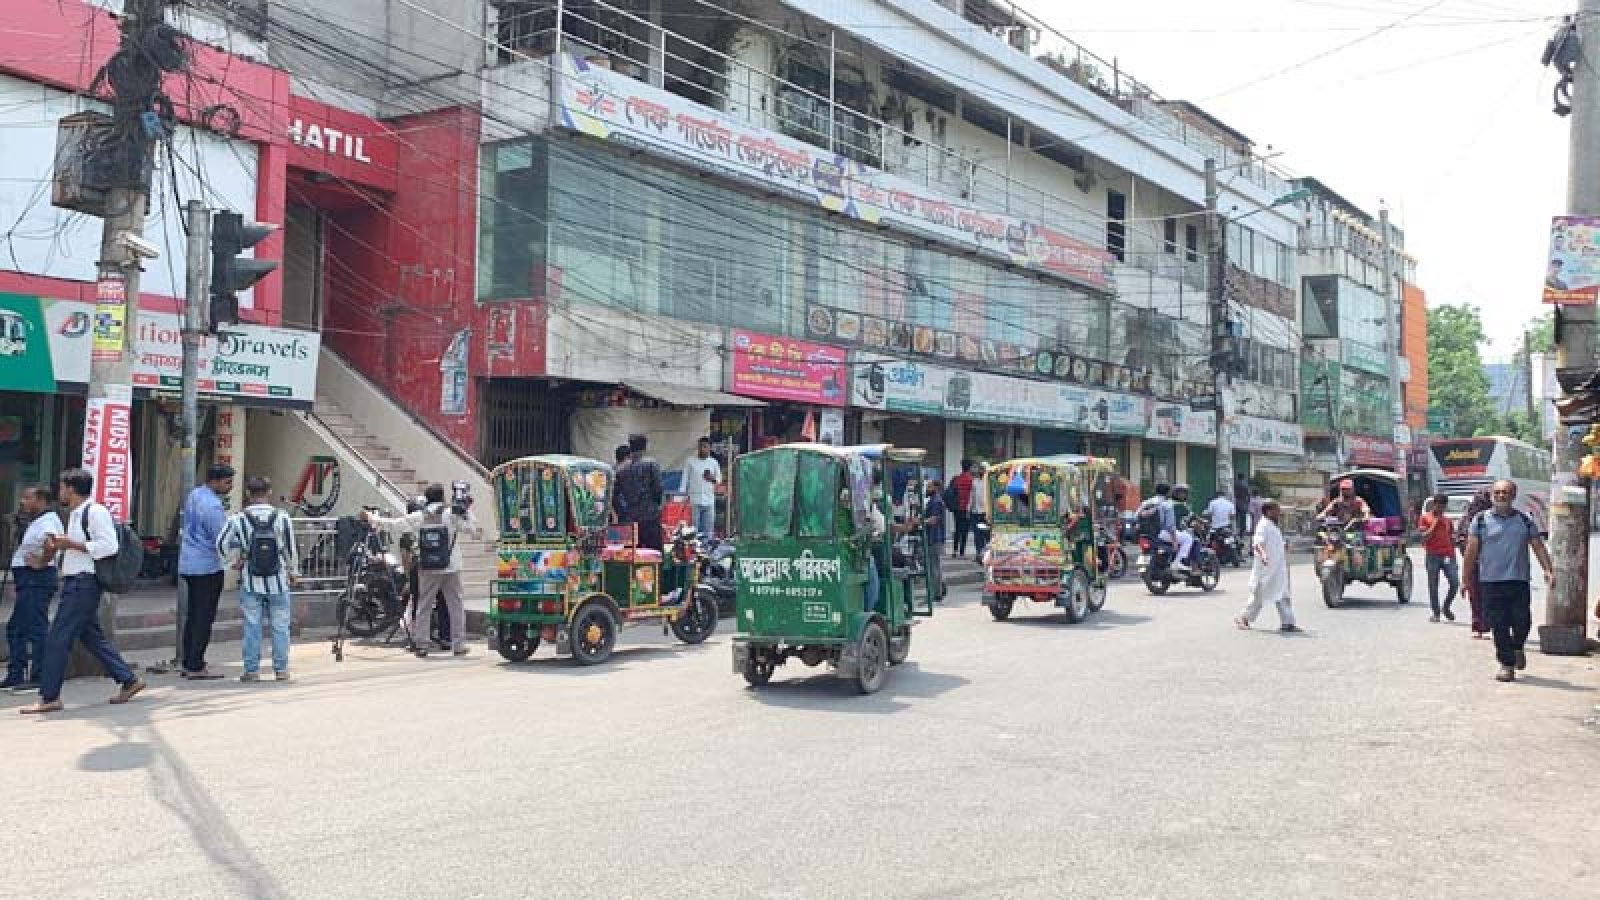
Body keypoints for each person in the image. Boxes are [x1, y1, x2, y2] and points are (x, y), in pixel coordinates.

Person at [21, 468, 144, 714]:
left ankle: (49, 696)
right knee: (91, 637)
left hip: (84, 582)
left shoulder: (94, 512)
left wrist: (70, 544)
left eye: (62, 487)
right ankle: (128, 680)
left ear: (71, 489)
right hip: (75, 581)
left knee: (58, 638)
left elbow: (109, 546)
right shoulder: (75, 514)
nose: (60, 491)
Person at [365, 482, 482, 658]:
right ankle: (458, 645)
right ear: (443, 497)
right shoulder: (451, 514)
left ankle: (422, 645)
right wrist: (466, 509)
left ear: (426, 499)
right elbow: (476, 532)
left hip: (428, 568)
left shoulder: (420, 516)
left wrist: (373, 518)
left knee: (424, 605)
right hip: (452, 567)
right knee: (455, 606)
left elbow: (396, 525)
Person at [1461, 480, 1555, 682]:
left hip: (1518, 580)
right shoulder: (1480, 521)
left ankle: (1518, 646)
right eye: (1497, 492)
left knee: (1523, 621)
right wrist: (1465, 579)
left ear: (1513, 496)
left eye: (1505, 492)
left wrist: (1547, 569)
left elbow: (1537, 546)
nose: (1501, 495)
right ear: (1491, 495)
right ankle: (1506, 664)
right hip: (1490, 582)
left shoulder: (1524, 520)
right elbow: (1471, 551)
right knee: (1499, 624)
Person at [216, 477, 298, 682]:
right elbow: (290, 548)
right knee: (280, 625)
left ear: (248, 493)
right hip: (277, 580)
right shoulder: (282, 517)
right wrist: (293, 571)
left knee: (252, 625)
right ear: (269, 492)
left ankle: (251, 670)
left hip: (250, 580)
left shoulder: (238, 519)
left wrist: (232, 562)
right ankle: (281, 669)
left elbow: (220, 543)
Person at [177, 464, 234, 679]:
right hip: (207, 565)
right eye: (227, 482)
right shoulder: (212, 505)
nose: (229, 487)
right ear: (216, 481)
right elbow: (221, 537)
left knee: (193, 614)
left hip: (189, 562)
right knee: (204, 616)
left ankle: (188, 660)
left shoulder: (195, 494)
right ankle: (195, 664)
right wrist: (235, 556)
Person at [3, 486, 62, 691]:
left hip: (36, 578)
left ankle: (38, 675)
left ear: (41, 500)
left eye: (28, 498)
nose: (22, 501)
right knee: (16, 628)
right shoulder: (36, 521)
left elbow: (51, 543)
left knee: (35, 628)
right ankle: (16, 673)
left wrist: (42, 562)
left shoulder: (49, 520)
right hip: (27, 578)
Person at [1234, 499, 1298, 632]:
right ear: (1269, 512)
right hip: (1266, 569)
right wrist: (1263, 555)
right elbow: (1257, 543)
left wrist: (1284, 546)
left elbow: (1274, 543)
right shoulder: (1263, 525)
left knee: (1282, 595)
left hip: (1278, 569)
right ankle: (1243, 618)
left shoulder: (1272, 525)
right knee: (1258, 597)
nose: (1279, 513)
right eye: (1276, 510)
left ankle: (1288, 622)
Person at [613, 434, 664, 551]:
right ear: (645, 448)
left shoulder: (622, 470)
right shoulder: (652, 464)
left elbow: (614, 494)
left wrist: (622, 513)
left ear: (631, 448)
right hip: (650, 516)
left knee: (632, 554)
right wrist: (657, 505)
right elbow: (658, 488)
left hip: (630, 518)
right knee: (654, 554)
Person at [1417, 491, 1459, 624]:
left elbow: (1451, 538)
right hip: (1432, 555)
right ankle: (1436, 613)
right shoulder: (1425, 518)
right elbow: (1424, 537)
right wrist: (1435, 524)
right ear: (1434, 504)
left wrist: (1454, 557)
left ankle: (1446, 607)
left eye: (1443, 506)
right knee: (1433, 585)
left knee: (1454, 582)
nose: (1440, 508)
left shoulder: (1448, 521)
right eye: (1438, 505)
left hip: (1448, 555)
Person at [1458, 486, 1494, 638]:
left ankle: (1484, 624)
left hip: (1488, 564)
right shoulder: (1470, 519)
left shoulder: (1494, 517)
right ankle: (1481, 624)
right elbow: (1460, 539)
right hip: (1479, 563)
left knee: (1483, 595)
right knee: (1478, 594)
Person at [680, 436, 722, 539]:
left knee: (708, 531)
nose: (702, 449)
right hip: (694, 501)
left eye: (704, 447)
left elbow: (719, 479)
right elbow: (684, 480)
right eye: (700, 447)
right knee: (693, 531)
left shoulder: (714, 462)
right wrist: (681, 498)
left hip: (709, 501)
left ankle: (707, 552)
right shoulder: (690, 461)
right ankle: (694, 551)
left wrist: (712, 478)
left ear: (710, 448)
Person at [923, 480, 947, 602]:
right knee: (935, 565)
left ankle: (936, 593)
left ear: (935, 488)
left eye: (929, 487)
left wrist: (921, 521)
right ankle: (940, 589)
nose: (927, 489)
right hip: (934, 536)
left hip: (934, 537)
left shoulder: (936, 501)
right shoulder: (934, 500)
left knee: (934, 566)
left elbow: (934, 519)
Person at [948, 459, 976, 558]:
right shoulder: (972, 480)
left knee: (957, 529)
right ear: (970, 467)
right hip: (967, 508)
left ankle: (954, 551)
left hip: (957, 507)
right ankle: (962, 552)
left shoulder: (956, 478)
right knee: (965, 531)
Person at [1170, 484, 1196, 574]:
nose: (1183, 495)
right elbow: (1192, 516)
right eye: (1180, 493)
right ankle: (1179, 562)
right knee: (1191, 539)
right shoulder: (1180, 505)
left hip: (1167, 531)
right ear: (1175, 494)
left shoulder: (1168, 503)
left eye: (1185, 493)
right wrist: (1203, 521)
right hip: (1174, 531)